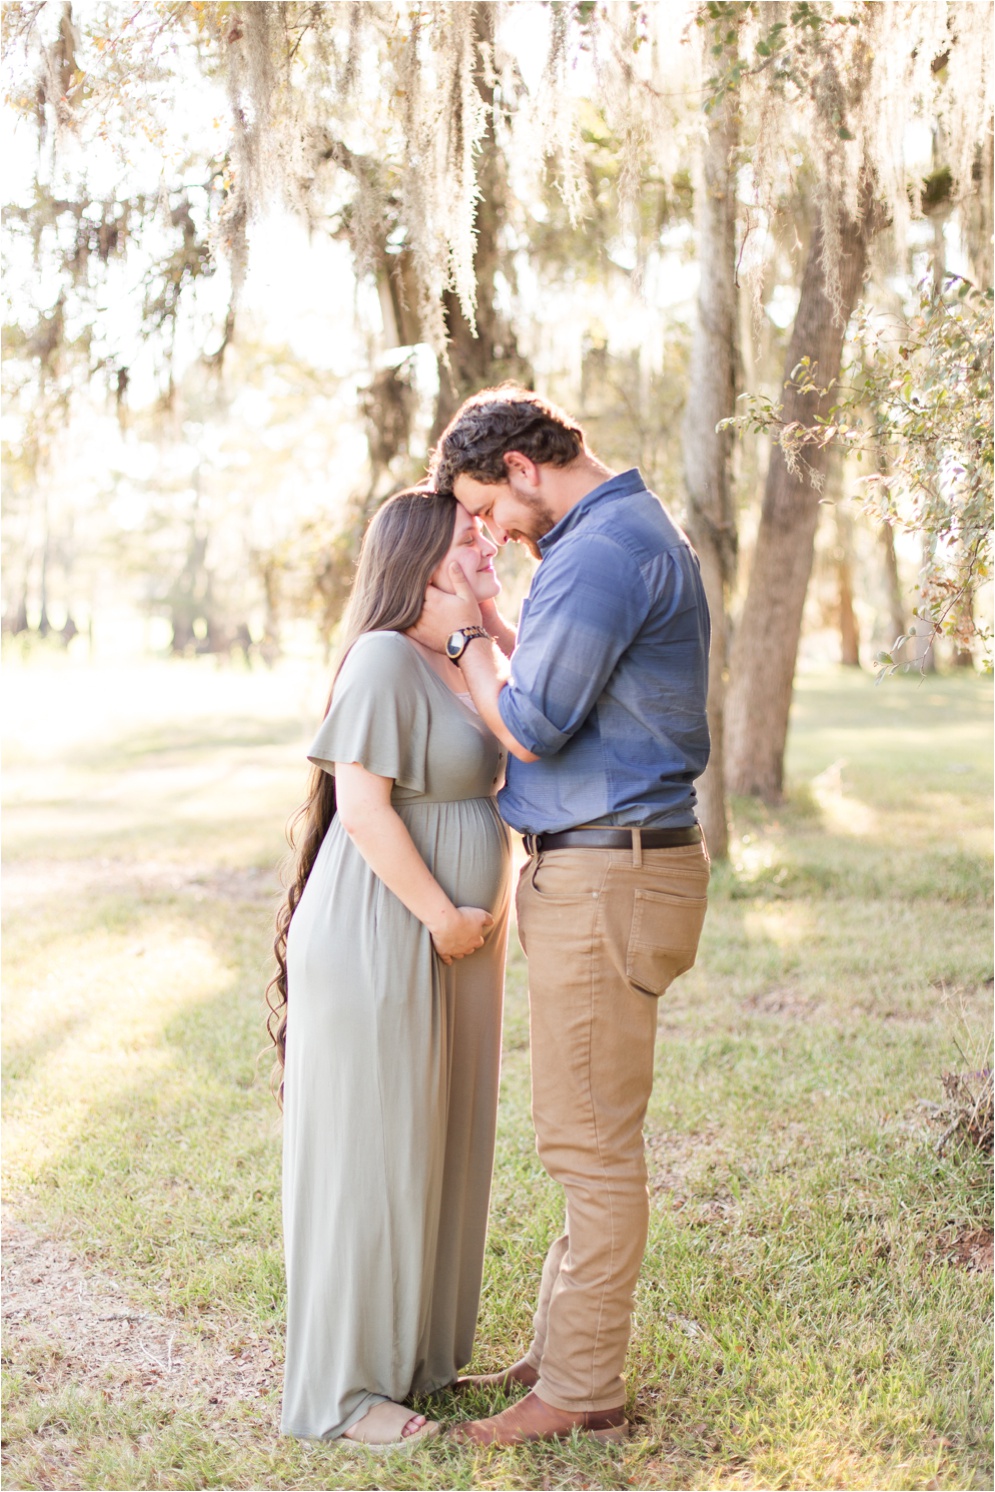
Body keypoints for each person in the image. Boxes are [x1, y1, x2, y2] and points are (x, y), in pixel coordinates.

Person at [412, 388, 711, 1446]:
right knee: (583, 1132)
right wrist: (495, 628)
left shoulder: (596, 552)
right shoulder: (614, 534)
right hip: (616, 869)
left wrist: (459, 640)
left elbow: (533, 722)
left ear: (522, 468)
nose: (486, 531)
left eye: (484, 507)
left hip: (607, 877)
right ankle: (561, 1351)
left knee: (589, 1146)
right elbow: (568, 685)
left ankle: (581, 1388)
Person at [267, 489, 512, 1448]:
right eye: (468, 536)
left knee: (441, 1140)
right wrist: (442, 917)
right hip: (386, 928)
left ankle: (415, 1359)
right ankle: (343, 1394)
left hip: (458, 943)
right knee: (373, 1152)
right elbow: (363, 808)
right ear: (420, 560)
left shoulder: (459, 654)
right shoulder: (380, 658)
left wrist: (485, 624)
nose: (488, 543)